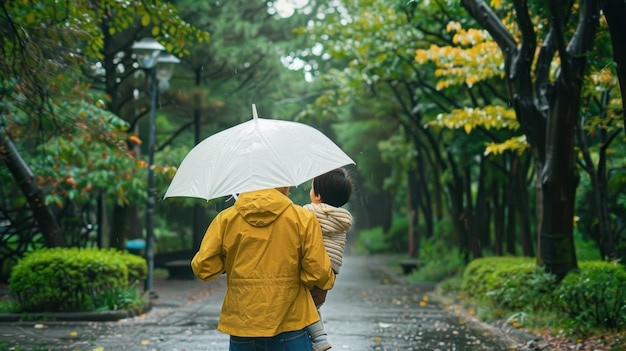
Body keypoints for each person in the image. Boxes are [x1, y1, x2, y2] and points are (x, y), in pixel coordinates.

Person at [191, 186, 336, 351]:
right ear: (285, 185)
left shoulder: (226, 219)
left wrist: (229, 261)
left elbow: (203, 267)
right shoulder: (303, 218)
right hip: (291, 321)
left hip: (244, 323)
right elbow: (318, 273)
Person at [304, 168, 354, 351]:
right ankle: (318, 338)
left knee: (304, 304)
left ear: (317, 195)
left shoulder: (309, 212)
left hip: (314, 265)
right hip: (331, 268)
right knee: (314, 305)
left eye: (311, 188)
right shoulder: (342, 218)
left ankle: (318, 339)